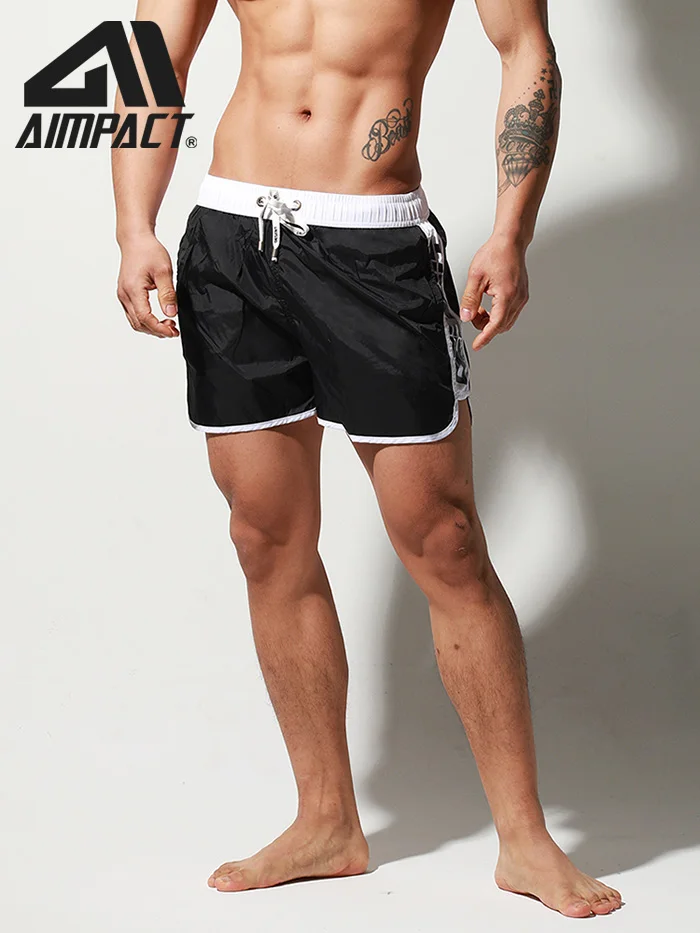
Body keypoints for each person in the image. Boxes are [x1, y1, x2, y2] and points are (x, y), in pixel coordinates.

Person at [113, 0, 623, 918]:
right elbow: (156, 55)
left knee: (445, 540)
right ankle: (326, 820)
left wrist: (511, 230)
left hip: (376, 242)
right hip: (231, 239)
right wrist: (133, 224)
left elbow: (525, 49)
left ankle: (524, 839)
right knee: (264, 536)